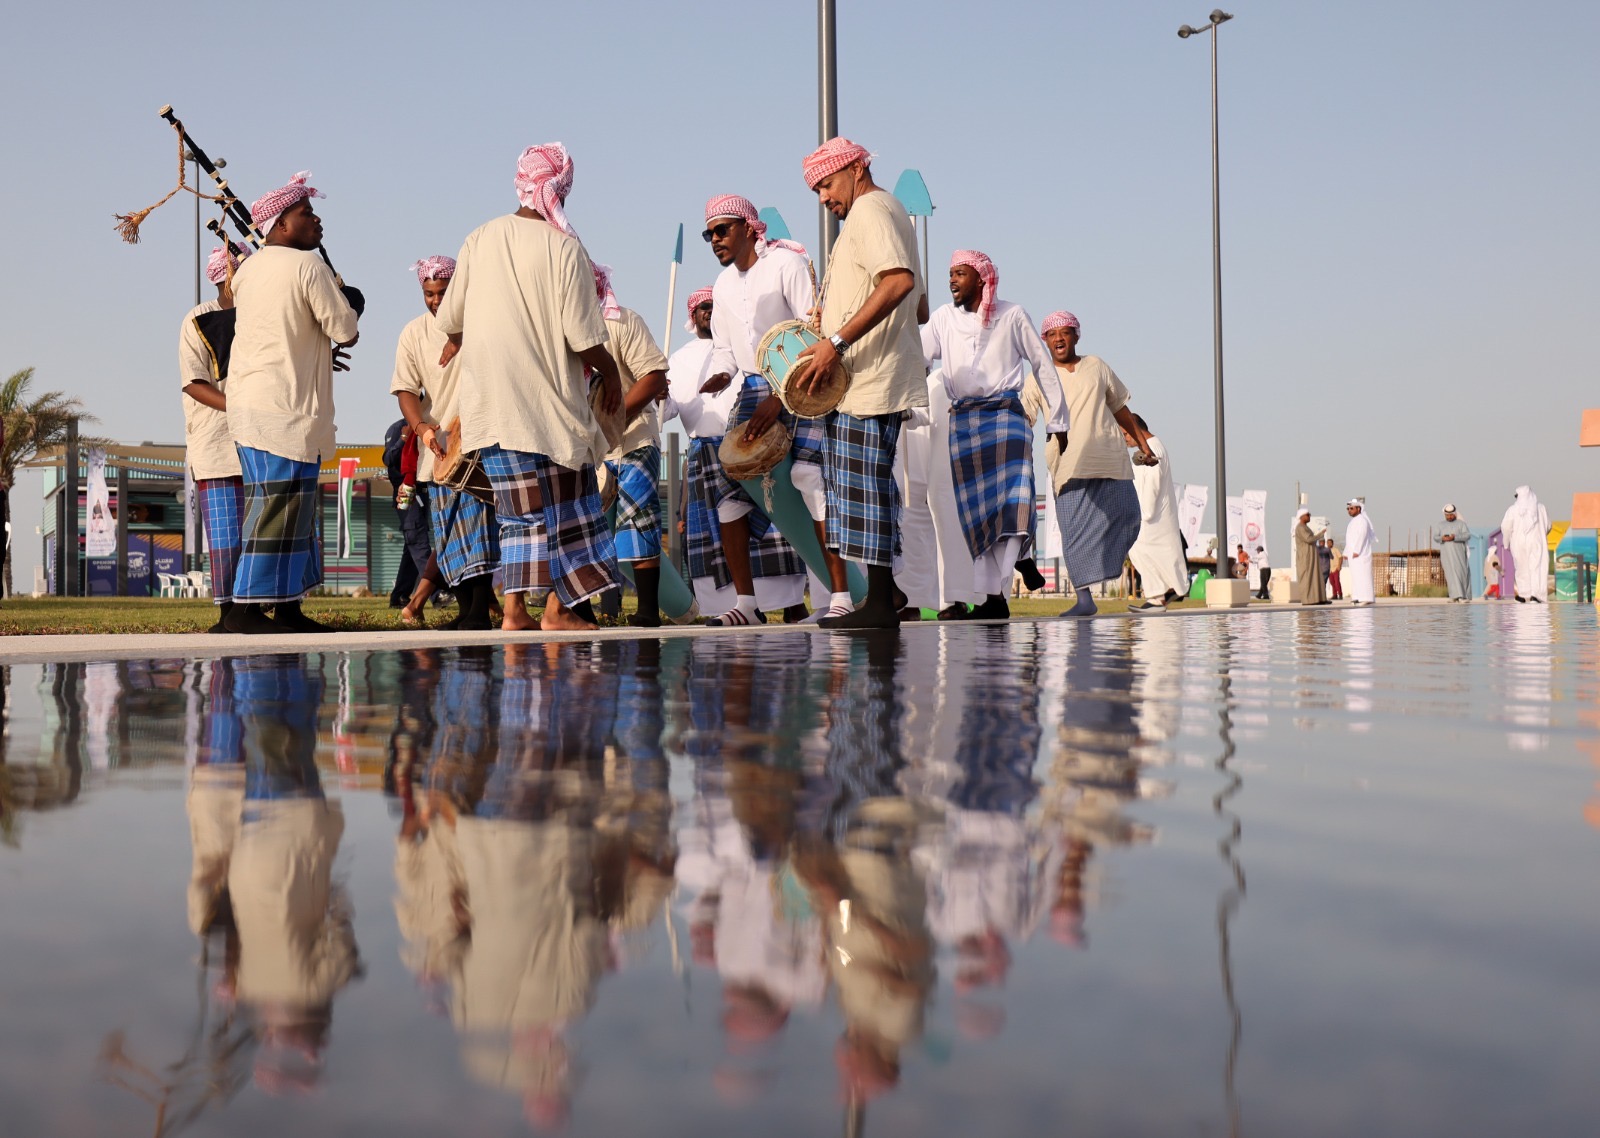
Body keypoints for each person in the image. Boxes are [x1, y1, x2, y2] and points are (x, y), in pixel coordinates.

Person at [435, 143, 624, 633]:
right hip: (549, 408)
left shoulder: (479, 238)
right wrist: (612, 375)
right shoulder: (564, 248)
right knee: (570, 509)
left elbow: (450, 319)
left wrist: (461, 342)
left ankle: (516, 612)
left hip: (493, 404)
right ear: (560, 189)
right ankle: (558, 611)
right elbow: (583, 337)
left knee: (518, 515)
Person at [795, 138, 930, 629]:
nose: (824, 198)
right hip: (873, 373)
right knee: (864, 484)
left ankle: (876, 605)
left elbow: (897, 282)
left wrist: (836, 340)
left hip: (869, 378)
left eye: (827, 184)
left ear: (856, 169)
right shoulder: (883, 212)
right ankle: (888, 593)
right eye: (817, 190)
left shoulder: (871, 209)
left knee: (865, 487)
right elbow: (919, 305)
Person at [698, 193, 848, 625]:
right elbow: (727, 352)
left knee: (809, 475)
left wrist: (779, 397)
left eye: (722, 230)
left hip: (801, 381)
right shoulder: (723, 285)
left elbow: (813, 329)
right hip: (749, 386)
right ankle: (746, 606)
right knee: (730, 491)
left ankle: (839, 595)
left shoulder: (787, 264)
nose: (714, 240)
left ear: (749, 227)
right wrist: (721, 376)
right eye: (709, 234)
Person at [225, 172, 360, 635]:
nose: (316, 219)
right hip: (282, 410)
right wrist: (350, 302)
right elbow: (346, 330)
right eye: (306, 213)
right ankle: (244, 610)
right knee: (277, 509)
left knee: (289, 509)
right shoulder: (308, 268)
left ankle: (287, 608)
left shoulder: (248, 271)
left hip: (255, 406)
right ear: (281, 225)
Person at [920, 249, 1067, 620]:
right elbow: (917, 360)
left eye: (959, 273)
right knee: (978, 515)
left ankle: (1022, 557)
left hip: (1005, 416)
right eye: (949, 274)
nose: (951, 280)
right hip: (964, 421)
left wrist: (1058, 422)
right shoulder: (942, 319)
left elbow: (1041, 363)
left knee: (1014, 499)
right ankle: (993, 600)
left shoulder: (1012, 314)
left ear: (981, 278)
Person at [664, 289, 808, 619]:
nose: (709, 312)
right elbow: (669, 407)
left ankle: (792, 604)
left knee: (773, 527)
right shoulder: (680, 358)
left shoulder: (740, 349)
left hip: (750, 448)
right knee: (719, 535)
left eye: (714, 306)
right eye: (703, 307)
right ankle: (736, 607)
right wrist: (659, 395)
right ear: (692, 315)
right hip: (705, 456)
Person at [393, 254, 501, 630]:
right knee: (449, 531)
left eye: (442, 293)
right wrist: (421, 428)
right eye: (429, 294)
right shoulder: (413, 333)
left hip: (481, 439)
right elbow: (406, 389)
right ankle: (468, 613)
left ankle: (474, 615)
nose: (436, 301)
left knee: (477, 528)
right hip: (437, 447)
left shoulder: (482, 324)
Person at [1038, 311, 1154, 617]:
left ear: (1077, 336)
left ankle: (1107, 566)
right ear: (1045, 341)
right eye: (1052, 334)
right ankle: (1084, 599)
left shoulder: (1096, 366)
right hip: (1067, 464)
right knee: (1073, 530)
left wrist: (1143, 445)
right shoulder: (1039, 375)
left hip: (1109, 457)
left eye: (1065, 332)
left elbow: (1120, 408)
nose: (1059, 338)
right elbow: (1023, 415)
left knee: (1128, 514)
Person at [180, 242, 252, 633]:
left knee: (266, 531)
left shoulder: (261, 317)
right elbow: (193, 383)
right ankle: (227, 614)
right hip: (218, 443)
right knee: (225, 537)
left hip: (264, 440)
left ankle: (262, 610)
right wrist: (241, 408)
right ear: (224, 276)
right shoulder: (197, 319)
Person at [597, 283, 672, 626]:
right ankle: (598, 610)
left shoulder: (623, 321)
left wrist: (610, 422)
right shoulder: (558, 329)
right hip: (587, 447)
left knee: (638, 521)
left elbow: (655, 378)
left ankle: (646, 612)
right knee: (588, 530)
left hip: (632, 441)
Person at [1123, 413, 1187, 609]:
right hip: (1153, 514)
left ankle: (1158, 595)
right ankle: (1166, 591)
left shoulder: (1153, 448)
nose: (1124, 439)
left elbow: (1152, 482)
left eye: (1126, 434)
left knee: (1138, 547)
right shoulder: (1152, 446)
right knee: (1154, 553)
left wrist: (1144, 512)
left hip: (1150, 515)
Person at [1500, 485, 1551, 602]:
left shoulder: (1512, 510)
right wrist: (1542, 534)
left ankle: (1524, 594)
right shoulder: (1540, 508)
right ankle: (1536, 595)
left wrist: (1506, 543)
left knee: (1521, 567)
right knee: (1537, 567)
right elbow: (1548, 526)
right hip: (1536, 541)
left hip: (1518, 543)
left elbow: (1505, 527)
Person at [1435, 503, 1472, 602]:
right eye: (1447, 515)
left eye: (1451, 515)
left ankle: (1462, 596)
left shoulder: (1461, 524)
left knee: (1460, 573)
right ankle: (1454, 596)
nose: (1449, 517)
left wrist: (1454, 537)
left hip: (1459, 553)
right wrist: (1442, 538)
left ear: (1455, 514)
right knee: (1450, 574)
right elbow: (1435, 537)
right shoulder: (1440, 525)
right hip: (1446, 554)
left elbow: (1467, 535)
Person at [1343, 499, 1377, 604]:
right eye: (1348, 509)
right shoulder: (1353, 521)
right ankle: (1357, 596)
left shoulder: (1362, 520)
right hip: (1353, 556)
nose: (1349, 510)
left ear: (1358, 508)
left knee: (1363, 576)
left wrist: (1357, 550)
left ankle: (1367, 598)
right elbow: (1350, 540)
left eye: (1351, 508)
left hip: (1361, 554)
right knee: (1356, 576)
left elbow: (1361, 536)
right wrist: (1345, 552)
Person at [1293, 508, 1326, 604]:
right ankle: (1307, 600)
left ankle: (1318, 599)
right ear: (1302, 516)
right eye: (1308, 515)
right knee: (1307, 578)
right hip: (1305, 557)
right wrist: (1320, 535)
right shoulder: (1300, 527)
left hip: (1311, 555)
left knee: (1315, 577)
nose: (1309, 517)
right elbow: (1308, 539)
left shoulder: (1305, 527)